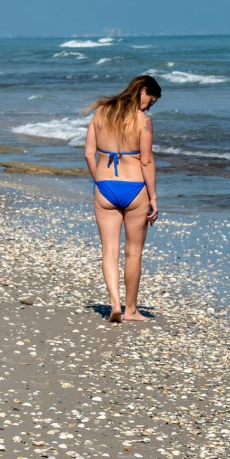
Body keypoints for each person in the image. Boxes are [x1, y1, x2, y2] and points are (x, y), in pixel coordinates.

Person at [84, 74, 161, 322]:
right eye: (151, 99)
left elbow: (88, 154)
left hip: (105, 186)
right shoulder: (143, 121)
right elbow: (147, 161)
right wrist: (154, 198)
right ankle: (130, 310)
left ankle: (114, 304)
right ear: (143, 90)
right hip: (135, 187)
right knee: (133, 252)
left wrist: (99, 182)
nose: (150, 105)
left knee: (109, 251)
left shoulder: (101, 112)